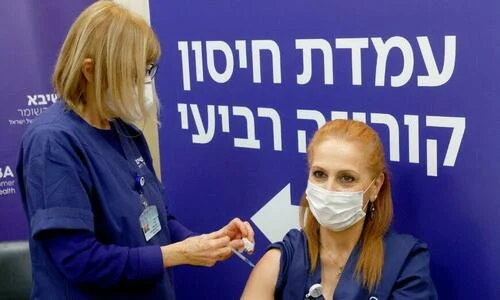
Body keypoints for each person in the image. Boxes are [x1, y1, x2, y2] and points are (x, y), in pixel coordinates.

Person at [16, 1, 254, 299]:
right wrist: (178, 254)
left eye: (146, 71)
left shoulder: (124, 132)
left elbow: (156, 221)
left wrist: (206, 243)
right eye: (132, 74)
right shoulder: (53, 144)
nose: (142, 85)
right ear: (90, 71)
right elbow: (80, 260)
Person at [241, 119, 437, 299]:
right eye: (319, 174)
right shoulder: (280, 261)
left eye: (347, 178)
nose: (329, 189)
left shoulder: (404, 263)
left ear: (375, 186)